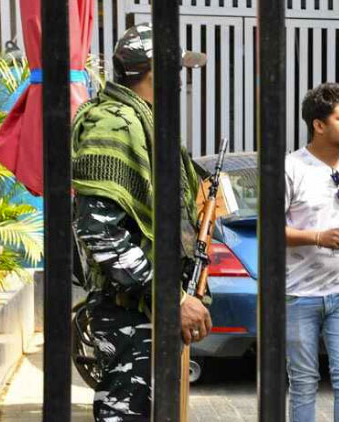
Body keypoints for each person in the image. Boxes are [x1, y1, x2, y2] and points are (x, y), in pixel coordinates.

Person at [71, 23, 212, 421]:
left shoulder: (147, 122)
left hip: (149, 312)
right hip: (130, 315)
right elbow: (99, 231)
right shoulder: (114, 124)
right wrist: (174, 298)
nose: (181, 81)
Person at [284, 82, 339, 422]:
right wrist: (318, 237)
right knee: (303, 383)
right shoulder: (291, 168)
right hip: (298, 294)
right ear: (318, 124)